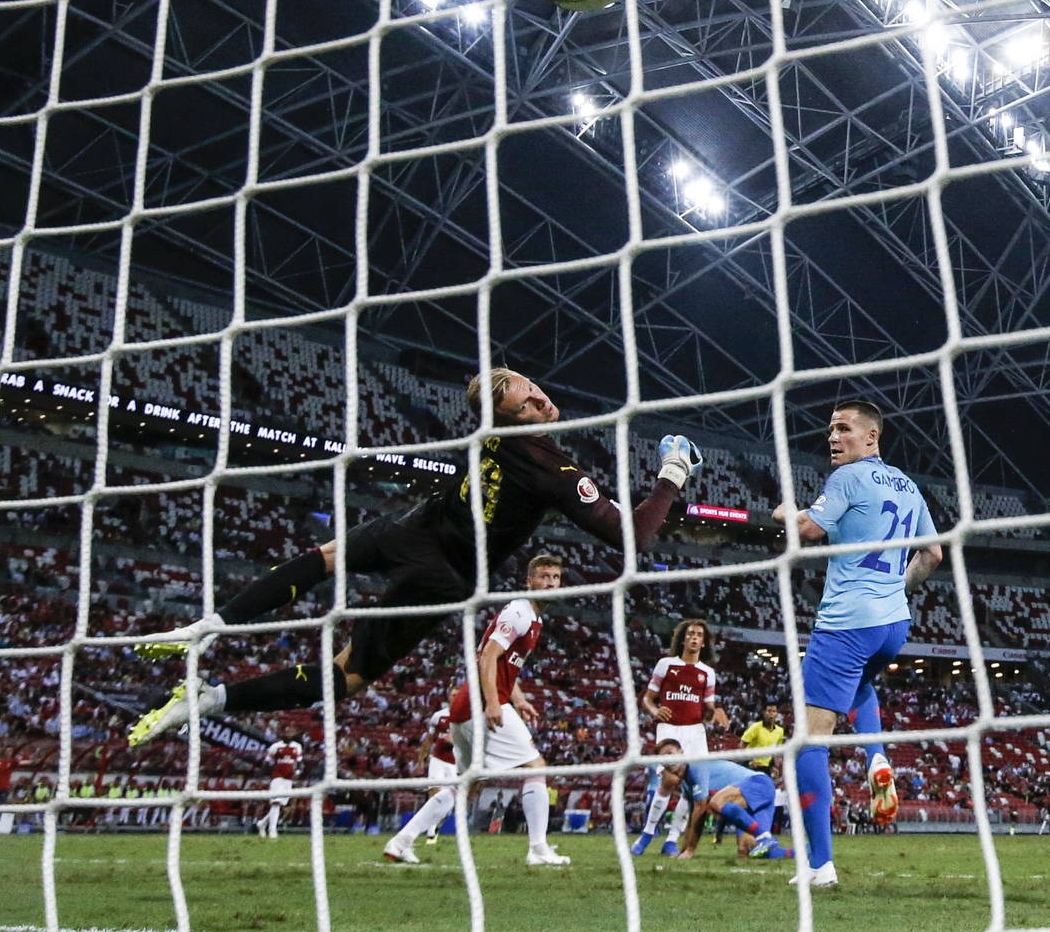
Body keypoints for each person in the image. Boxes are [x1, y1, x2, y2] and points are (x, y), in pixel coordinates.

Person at [127, 369, 702, 746]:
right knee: (348, 677)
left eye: (531, 387)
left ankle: (212, 626)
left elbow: (498, 417)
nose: (537, 396)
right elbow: (635, 539)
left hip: (418, 524)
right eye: (525, 401)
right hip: (445, 571)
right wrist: (671, 479)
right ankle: (210, 696)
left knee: (329, 555)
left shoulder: (492, 436)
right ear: (509, 418)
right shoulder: (550, 467)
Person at [771, 399, 942, 888]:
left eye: (844, 429)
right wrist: (898, 589)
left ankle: (820, 865)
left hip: (845, 622)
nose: (832, 437)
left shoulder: (846, 479)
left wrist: (787, 511)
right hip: (893, 625)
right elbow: (933, 554)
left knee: (807, 741)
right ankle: (877, 756)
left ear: (872, 438)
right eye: (829, 430)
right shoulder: (910, 487)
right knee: (862, 683)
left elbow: (806, 530)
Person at [392, 555, 570, 866]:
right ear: (529, 581)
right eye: (543, 577)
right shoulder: (520, 610)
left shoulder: (534, 617)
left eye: (555, 578)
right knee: (536, 767)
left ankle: (401, 841)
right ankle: (538, 849)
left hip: (466, 706)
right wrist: (492, 702)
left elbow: (504, 665)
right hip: (480, 704)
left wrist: (519, 699)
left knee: (465, 785)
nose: (550, 583)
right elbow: (488, 656)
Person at [632, 618, 729, 856]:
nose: (694, 638)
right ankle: (647, 833)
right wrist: (654, 710)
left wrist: (715, 714)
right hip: (669, 728)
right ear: (683, 638)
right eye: (690, 634)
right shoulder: (666, 665)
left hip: (695, 731)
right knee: (670, 781)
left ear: (704, 642)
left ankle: (672, 839)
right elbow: (647, 698)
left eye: (698, 635)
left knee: (693, 787)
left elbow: (707, 709)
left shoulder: (707, 673)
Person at [655, 739, 792, 860]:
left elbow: (701, 809)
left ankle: (764, 836)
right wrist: (683, 851)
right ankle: (804, 851)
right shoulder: (686, 784)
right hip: (751, 800)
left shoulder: (696, 766)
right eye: (663, 758)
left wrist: (691, 851)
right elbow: (692, 820)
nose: (669, 760)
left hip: (759, 783)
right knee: (749, 850)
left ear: (681, 752)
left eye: (670, 754)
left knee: (716, 802)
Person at [382, 700, 456, 863]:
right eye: (453, 694)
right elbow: (431, 738)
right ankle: (404, 841)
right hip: (441, 760)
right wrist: (422, 756)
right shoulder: (440, 716)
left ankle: (405, 841)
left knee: (448, 800)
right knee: (442, 796)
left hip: (460, 764)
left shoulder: (474, 714)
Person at [255, 728, 303, 838]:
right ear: (282, 734)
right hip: (277, 777)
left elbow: (300, 762)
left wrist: (298, 771)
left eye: (291, 732)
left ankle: (262, 823)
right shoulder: (276, 746)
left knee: (281, 804)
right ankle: (272, 831)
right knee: (275, 802)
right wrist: (270, 773)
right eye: (287, 732)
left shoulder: (297, 746)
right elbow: (266, 762)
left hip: (289, 778)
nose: (289, 734)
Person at [741, 704, 786, 773]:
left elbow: (776, 751)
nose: (771, 714)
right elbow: (742, 745)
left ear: (777, 714)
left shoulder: (780, 731)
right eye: (769, 711)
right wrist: (749, 760)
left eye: (774, 711)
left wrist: (775, 767)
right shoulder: (756, 727)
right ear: (764, 713)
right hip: (751, 766)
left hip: (766, 768)